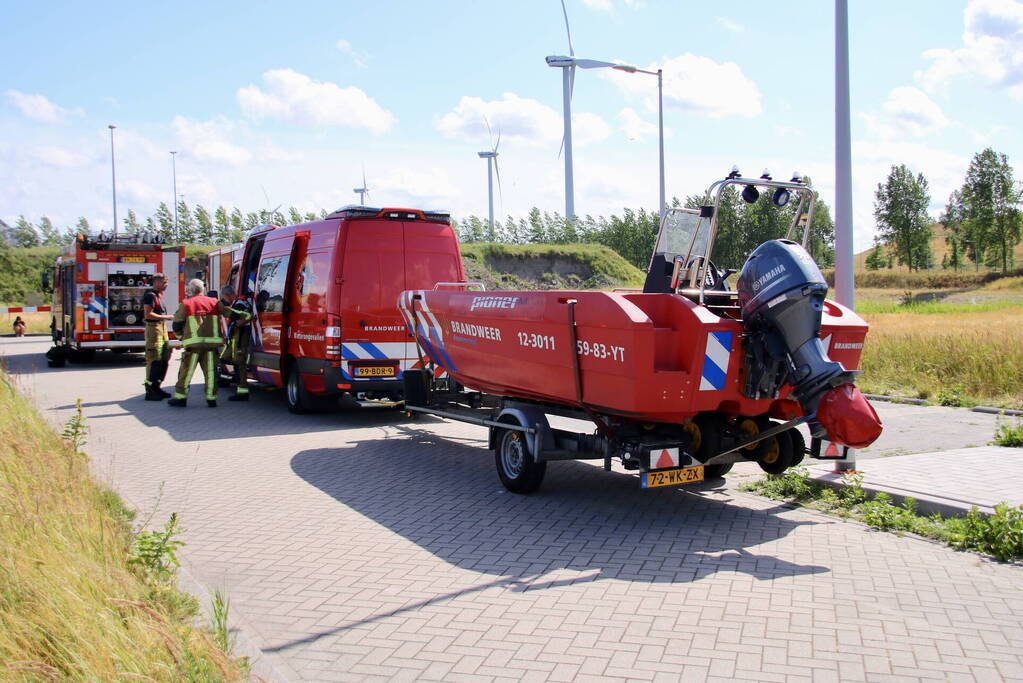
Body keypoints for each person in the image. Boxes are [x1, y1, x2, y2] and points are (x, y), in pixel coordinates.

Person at [168, 279, 250, 408]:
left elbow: (177, 324)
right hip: (211, 346)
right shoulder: (213, 302)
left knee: (186, 372)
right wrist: (246, 315)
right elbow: (230, 313)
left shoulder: (187, 303)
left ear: (190, 290)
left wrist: (181, 337)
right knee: (210, 372)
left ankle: (181, 398)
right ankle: (211, 398)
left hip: (193, 346)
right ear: (203, 289)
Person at [218, 283, 254, 401]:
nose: (224, 301)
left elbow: (245, 317)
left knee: (239, 365)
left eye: (224, 298)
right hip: (238, 338)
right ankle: (239, 387)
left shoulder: (238, 304)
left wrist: (241, 322)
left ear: (227, 295)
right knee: (230, 360)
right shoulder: (240, 302)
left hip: (240, 338)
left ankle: (242, 392)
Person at [142, 274, 174, 400]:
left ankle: (157, 387)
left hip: (162, 328)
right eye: (164, 283)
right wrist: (168, 317)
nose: (166, 285)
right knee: (154, 358)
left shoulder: (158, 295)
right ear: (156, 282)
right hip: (154, 329)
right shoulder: (150, 296)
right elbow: (148, 314)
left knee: (164, 358)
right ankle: (150, 390)